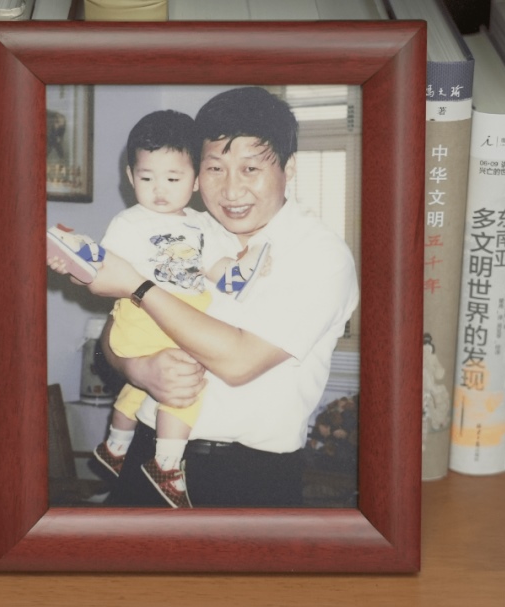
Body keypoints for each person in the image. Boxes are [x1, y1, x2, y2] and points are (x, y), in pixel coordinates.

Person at [83, 86, 359, 507]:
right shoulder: (185, 224)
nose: (231, 191)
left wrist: (139, 287)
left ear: (289, 166)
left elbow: (238, 362)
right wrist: (137, 369)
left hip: (246, 477)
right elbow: (115, 328)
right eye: (215, 168)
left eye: (250, 169)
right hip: (147, 452)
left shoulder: (319, 254)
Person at [48, 109, 269, 508]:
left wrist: (242, 268)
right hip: (141, 315)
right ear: (131, 177)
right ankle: (166, 463)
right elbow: (102, 271)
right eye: (147, 178)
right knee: (186, 384)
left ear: (196, 181)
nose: (159, 190)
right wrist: (75, 268)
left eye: (173, 178)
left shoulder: (203, 225)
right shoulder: (130, 223)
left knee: (141, 386)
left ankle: (116, 446)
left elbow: (216, 269)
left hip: (180, 312)